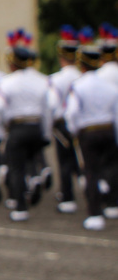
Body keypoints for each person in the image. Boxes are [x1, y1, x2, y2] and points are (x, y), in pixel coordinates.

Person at [0, 37, 51, 222]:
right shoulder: (42, 79)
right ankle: (35, 178)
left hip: (17, 127)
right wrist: (46, 132)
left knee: (16, 168)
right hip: (36, 125)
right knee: (33, 158)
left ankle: (20, 207)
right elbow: (48, 108)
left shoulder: (7, 82)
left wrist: (3, 129)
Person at [64, 35, 118, 231]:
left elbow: (71, 113)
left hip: (88, 132)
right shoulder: (111, 87)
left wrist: (75, 132)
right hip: (108, 130)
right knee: (111, 166)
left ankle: (95, 214)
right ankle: (113, 203)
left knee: (91, 171)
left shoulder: (79, 86)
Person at [47, 26, 83, 214]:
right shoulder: (82, 76)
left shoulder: (56, 79)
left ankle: (68, 198)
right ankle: (88, 182)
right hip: (83, 123)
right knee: (82, 156)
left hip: (62, 123)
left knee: (65, 161)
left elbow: (52, 104)